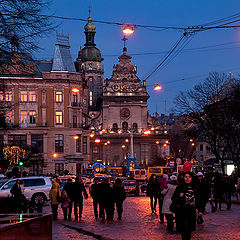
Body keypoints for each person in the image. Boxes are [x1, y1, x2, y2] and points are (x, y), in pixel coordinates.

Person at [172, 172, 202, 240]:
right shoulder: (180, 186)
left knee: (189, 228)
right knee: (183, 229)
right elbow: (173, 198)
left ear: (191, 178)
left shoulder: (195, 186)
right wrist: (179, 196)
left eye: (189, 177)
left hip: (191, 210)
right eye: (186, 177)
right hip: (181, 210)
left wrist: (200, 210)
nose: (187, 179)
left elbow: (198, 199)